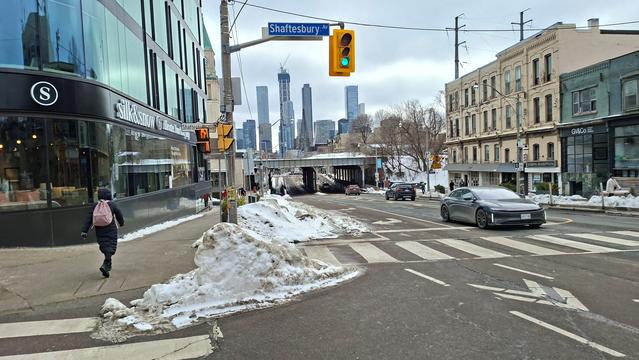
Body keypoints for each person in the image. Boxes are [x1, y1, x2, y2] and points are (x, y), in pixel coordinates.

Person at [81, 189, 124, 278]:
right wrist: (121, 222)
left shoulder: (95, 206)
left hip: (99, 230)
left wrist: (84, 231)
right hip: (111, 229)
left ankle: (107, 266)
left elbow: (89, 219)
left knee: (104, 245)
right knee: (111, 246)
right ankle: (106, 264)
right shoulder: (112, 204)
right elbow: (119, 214)